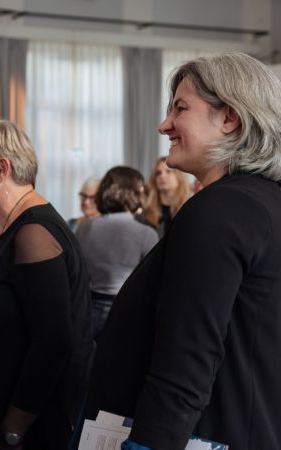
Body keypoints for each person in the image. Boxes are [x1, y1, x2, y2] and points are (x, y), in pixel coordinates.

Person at [81, 52, 281, 450]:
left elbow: (187, 354)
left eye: (181, 108)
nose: (164, 125)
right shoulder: (264, 203)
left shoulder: (219, 210)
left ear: (229, 118)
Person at [0, 120, 94, 450]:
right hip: (7, 415)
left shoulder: (35, 233)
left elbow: (53, 343)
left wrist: (12, 432)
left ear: (2, 169)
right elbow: (4, 334)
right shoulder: (12, 227)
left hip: (33, 429)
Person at [75, 166, 157, 339]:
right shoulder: (146, 233)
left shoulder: (84, 227)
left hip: (90, 308)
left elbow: (80, 272)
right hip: (128, 310)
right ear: (136, 193)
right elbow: (152, 281)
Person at [143, 156, 191, 237]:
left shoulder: (190, 208)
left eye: (168, 171)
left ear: (179, 176)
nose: (162, 176)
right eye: (158, 173)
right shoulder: (146, 211)